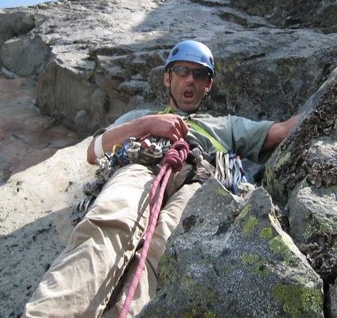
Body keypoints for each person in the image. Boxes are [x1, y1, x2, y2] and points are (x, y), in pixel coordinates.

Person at [24, 40, 300, 318]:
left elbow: (281, 131)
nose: (190, 79)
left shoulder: (227, 125)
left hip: (199, 180)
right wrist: (146, 125)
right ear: (168, 78)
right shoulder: (140, 116)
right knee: (110, 222)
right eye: (182, 71)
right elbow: (95, 151)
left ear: (209, 85)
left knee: (163, 252)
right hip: (142, 165)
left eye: (200, 74)